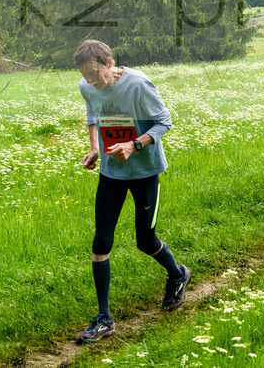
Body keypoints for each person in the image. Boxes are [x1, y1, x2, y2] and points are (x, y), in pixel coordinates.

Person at [73, 40, 189, 344]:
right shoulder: (87, 86)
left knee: (145, 241)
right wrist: (95, 149)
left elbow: (165, 121)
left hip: (144, 172)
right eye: (85, 76)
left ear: (109, 63)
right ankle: (105, 319)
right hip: (112, 172)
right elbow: (93, 114)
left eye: (94, 74)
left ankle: (177, 274)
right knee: (101, 242)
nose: (90, 81)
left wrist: (135, 144)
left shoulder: (138, 85)